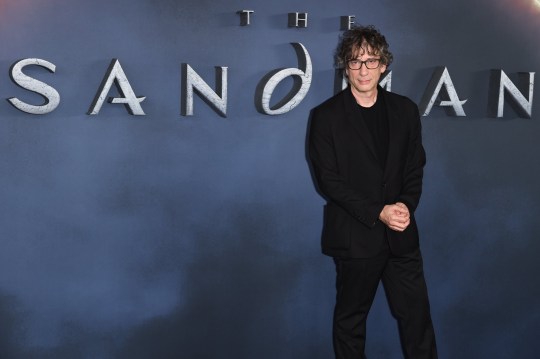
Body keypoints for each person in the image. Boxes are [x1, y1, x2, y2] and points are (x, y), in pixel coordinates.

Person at [307, 25, 438, 359]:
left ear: (384, 65)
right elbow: (329, 180)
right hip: (355, 238)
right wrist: (378, 210)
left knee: (418, 321)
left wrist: (405, 206)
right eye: (355, 61)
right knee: (351, 323)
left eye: (370, 61)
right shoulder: (325, 116)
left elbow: (414, 166)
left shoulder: (405, 110)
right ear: (345, 65)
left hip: (401, 236)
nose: (363, 70)